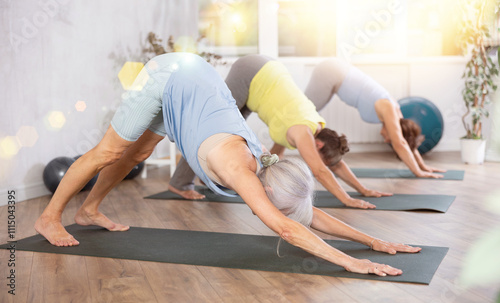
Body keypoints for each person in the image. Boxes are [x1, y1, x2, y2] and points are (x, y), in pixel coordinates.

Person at [34, 52, 420, 276]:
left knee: (138, 153)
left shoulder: (270, 167)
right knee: (109, 151)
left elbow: (307, 214)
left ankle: (89, 209)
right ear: (266, 192)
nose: (272, 212)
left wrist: (374, 241)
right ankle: (50, 216)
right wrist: (353, 264)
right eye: (272, 205)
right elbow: (287, 227)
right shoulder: (241, 171)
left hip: (195, 88)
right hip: (168, 77)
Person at [169, 54, 390, 209]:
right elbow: (321, 170)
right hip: (253, 72)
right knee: (212, 128)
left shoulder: (316, 125)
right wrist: (347, 200)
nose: (321, 162)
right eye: (321, 156)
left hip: (266, 71)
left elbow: (334, 163)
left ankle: (211, 180)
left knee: (229, 133)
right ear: (319, 145)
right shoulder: (304, 131)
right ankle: (179, 183)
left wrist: (363, 189)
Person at [304, 58, 446, 178]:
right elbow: (400, 143)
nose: (386, 140)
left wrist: (423, 166)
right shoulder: (389, 109)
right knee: (302, 116)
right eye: (389, 138)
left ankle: (281, 157)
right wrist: (418, 172)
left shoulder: (397, 114)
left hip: (335, 73)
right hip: (332, 73)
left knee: (304, 116)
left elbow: (406, 140)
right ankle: (283, 158)